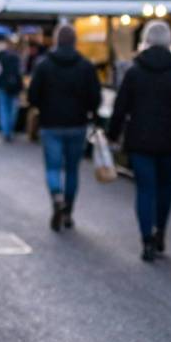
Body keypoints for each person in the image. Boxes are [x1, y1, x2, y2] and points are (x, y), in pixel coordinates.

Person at [108, 20, 171, 262]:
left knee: (145, 189)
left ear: (145, 41)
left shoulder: (134, 72)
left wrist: (111, 134)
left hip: (140, 139)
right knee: (165, 187)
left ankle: (146, 239)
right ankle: (161, 231)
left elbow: (120, 107)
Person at [27, 23, 102, 231]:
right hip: (77, 123)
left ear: (56, 41)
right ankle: (68, 209)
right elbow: (95, 97)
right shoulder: (86, 66)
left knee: (52, 167)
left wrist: (43, 106)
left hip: (50, 123)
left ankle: (56, 195)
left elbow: (33, 96)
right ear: (75, 41)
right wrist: (88, 110)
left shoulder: (43, 65)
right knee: (72, 169)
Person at [0, 44, 24, 142]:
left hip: (2, 86)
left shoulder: (0, 58)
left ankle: (5, 131)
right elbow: (20, 73)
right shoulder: (16, 58)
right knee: (13, 110)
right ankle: (9, 130)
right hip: (14, 88)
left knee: (3, 110)